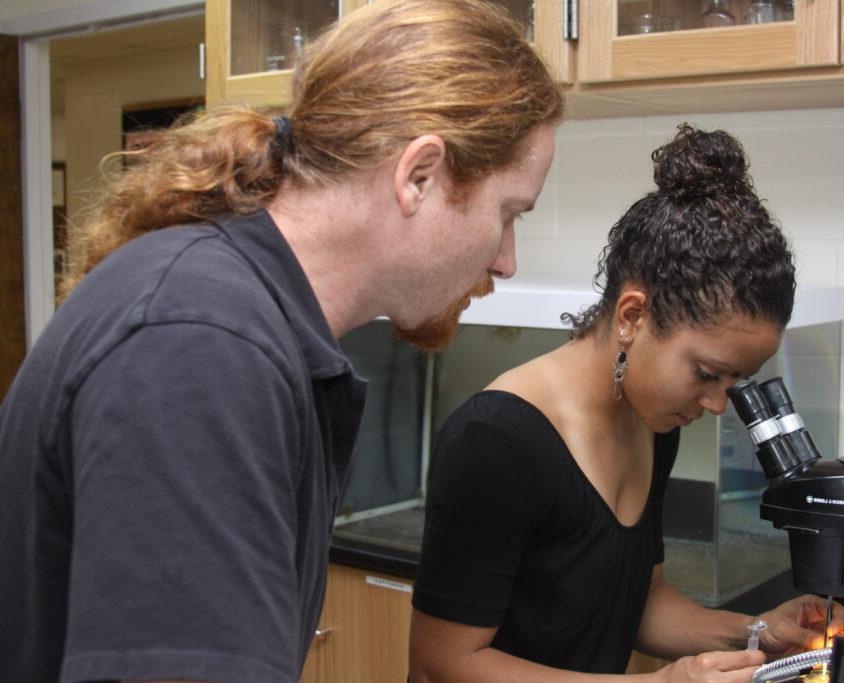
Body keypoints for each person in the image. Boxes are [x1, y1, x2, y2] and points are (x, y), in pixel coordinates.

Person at [0, 1, 563, 682]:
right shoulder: (201, 341)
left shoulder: (238, 316)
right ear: (419, 176)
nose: (505, 260)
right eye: (508, 213)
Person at [409, 125, 844, 682]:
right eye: (707, 373)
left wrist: (757, 632)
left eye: (735, 381)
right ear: (633, 317)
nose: (716, 404)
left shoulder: (654, 424)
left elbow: (638, 603)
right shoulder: (498, 440)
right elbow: (442, 664)